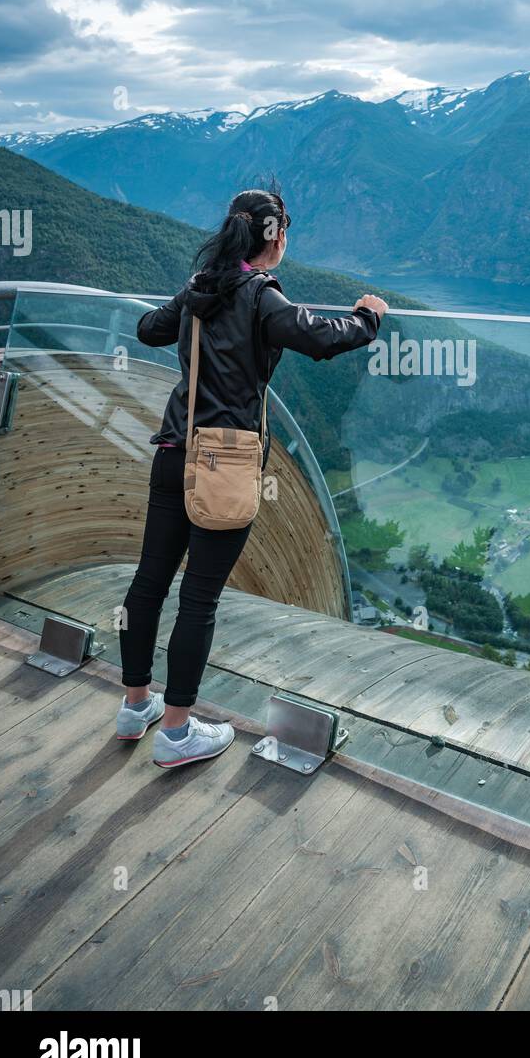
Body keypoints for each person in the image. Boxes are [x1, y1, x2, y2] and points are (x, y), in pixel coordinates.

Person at [115, 186, 387, 768]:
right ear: (276, 236)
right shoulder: (261, 296)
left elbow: (147, 330)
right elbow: (317, 335)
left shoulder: (201, 289)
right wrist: (367, 319)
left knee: (149, 583)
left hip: (172, 451)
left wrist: (189, 305)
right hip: (226, 463)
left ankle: (135, 705)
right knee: (199, 599)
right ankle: (177, 733)